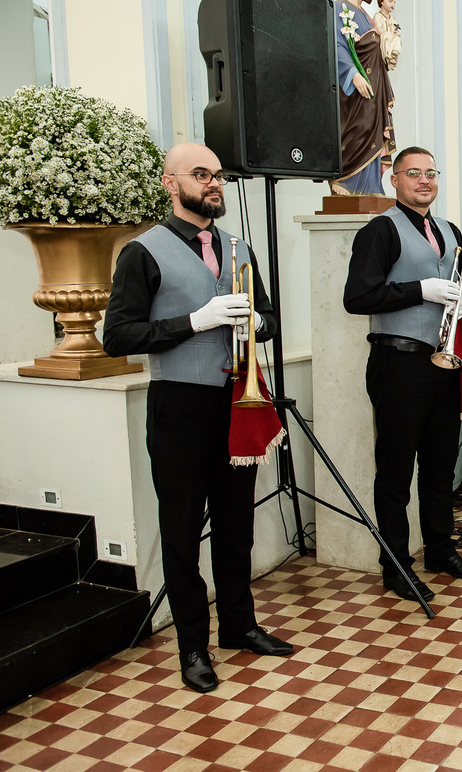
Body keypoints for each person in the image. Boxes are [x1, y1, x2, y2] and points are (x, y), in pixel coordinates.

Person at [103, 142, 293, 694]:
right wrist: (196, 319)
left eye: (217, 176)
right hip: (179, 406)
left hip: (238, 400)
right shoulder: (143, 252)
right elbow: (118, 336)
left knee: (236, 524)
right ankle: (192, 646)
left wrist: (256, 324)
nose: (214, 183)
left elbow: (272, 318)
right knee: (182, 531)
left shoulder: (239, 247)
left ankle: (240, 625)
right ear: (170, 184)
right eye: (201, 175)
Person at [343, 146, 462, 603]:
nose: (425, 181)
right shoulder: (379, 231)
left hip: (444, 363)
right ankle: (396, 566)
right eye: (414, 173)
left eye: (431, 173)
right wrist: (417, 290)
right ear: (394, 179)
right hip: (399, 363)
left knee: (441, 466)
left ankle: (440, 550)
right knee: (396, 471)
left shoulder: (450, 230)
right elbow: (358, 297)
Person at [332, 0, 395, 196]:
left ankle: (370, 186)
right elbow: (337, 45)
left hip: (375, 86)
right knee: (358, 128)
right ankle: (346, 180)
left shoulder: (367, 16)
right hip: (356, 89)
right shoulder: (338, 9)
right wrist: (351, 72)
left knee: (373, 131)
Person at [373, 0, 402, 72]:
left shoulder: (392, 19)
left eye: (394, 2)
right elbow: (379, 31)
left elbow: (395, 28)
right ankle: (388, 56)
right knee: (387, 35)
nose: (393, 4)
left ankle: (393, 55)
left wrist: (397, 33)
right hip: (383, 41)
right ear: (382, 1)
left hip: (391, 41)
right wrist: (387, 26)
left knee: (397, 37)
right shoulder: (378, 16)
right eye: (390, 1)